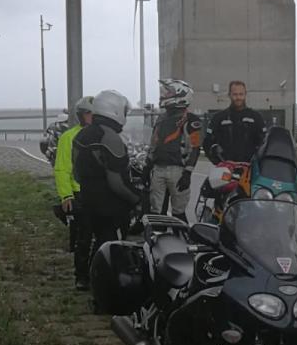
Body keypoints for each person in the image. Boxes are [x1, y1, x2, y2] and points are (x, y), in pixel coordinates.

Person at [72, 90, 141, 267]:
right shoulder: (110, 137)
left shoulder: (82, 134)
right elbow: (116, 182)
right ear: (114, 110)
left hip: (86, 198)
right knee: (110, 246)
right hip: (109, 205)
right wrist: (137, 199)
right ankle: (105, 278)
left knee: (87, 241)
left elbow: (76, 173)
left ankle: (83, 276)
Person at [54, 96, 95, 289]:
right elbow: (62, 168)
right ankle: (82, 276)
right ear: (80, 115)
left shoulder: (103, 134)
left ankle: (100, 272)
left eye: (94, 113)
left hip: (101, 193)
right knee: (83, 238)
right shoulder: (69, 137)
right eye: (88, 113)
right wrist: (66, 195)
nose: (92, 116)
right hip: (80, 194)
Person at [147, 78, 202, 220]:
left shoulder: (191, 119)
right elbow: (154, 143)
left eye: (168, 92)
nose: (164, 95)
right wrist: (148, 165)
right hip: (158, 168)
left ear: (181, 94)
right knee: (156, 212)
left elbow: (195, 148)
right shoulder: (161, 118)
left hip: (178, 171)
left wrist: (188, 173)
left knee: (178, 212)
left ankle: (182, 233)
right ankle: (157, 233)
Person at [204, 80, 266, 166]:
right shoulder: (218, 118)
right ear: (229, 95)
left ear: (245, 94)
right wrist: (218, 162)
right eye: (235, 94)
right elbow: (207, 143)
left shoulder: (256, 117)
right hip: (225, 168)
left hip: (250, 167)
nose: (238, 97)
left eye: (241, 94)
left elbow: (264, 142)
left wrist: (257, 163)